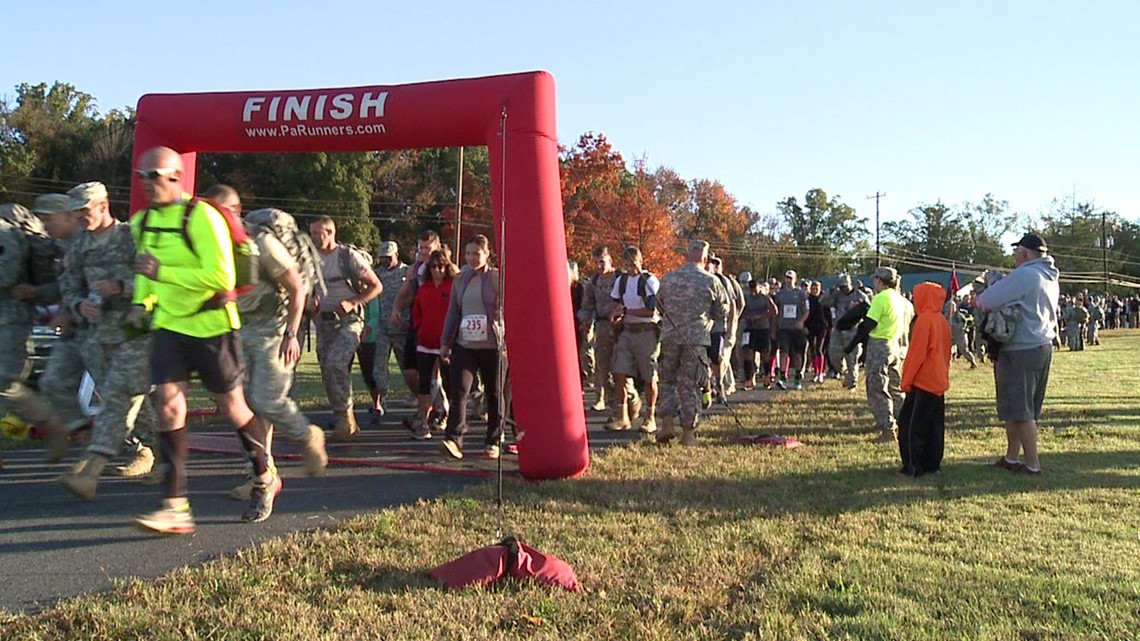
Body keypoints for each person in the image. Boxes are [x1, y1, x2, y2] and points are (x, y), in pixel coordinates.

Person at [128, 145, 276, 534]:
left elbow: (219, 279)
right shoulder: (142, 223)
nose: (146, 183)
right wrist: (141, 303)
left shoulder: (202, 216)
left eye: (154, 176)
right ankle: (176, 507)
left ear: (176, 177)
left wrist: (165, 272)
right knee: (167, 404)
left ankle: (265, 475)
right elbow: (145, 273)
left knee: (232, 407)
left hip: (213, 325)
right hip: (170, 327)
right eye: (142, 176)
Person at [204, 186, 327, 500]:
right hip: (240, 330)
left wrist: (291, 335)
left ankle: (307, 434)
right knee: (247, 407)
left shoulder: (261, 243)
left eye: (219, 212)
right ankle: (261, 474)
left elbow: (297, 288)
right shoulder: (214, 246)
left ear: (235, 210)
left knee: (268, 400)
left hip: (274, 330)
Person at [55, 182, 159, 500]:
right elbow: (69, 286)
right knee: (132, 398)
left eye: (85, 211)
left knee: (119, 396)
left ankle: (94, 466)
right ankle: (154, 452)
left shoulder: (132, 236)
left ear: (104, 205)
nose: (81, 218)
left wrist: (121, 285)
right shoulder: (78, 246)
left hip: (135, 331)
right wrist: (77, 305)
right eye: (76, 213)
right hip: (98, 337)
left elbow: (156, 277)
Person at [7, 194, 86, 461]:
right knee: (51, 382)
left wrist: (63, 307)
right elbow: (61, 286)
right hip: (76, 328)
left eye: (48, 218)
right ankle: (90, 458)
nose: (44, 224)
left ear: (68, 216)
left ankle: (144, 448)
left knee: (123, 395)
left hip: (105, 329)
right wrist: (37, 292)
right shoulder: (58, 246)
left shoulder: (93, 242)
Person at [976, 233, 1059, 475]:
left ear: (1024, 253)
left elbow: (987, 300)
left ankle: (1032, 465)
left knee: (1022, 412)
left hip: (1020, 348)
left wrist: (989, 290)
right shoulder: (1049, 275)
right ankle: (1012, 458)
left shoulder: (1026, 274)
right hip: (1041, 346)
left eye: (1016, 251)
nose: (1014, 255)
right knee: (1018, 408)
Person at [308, 216, 381, 441]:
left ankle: (345, 415)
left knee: (336, 362)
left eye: (317, 233)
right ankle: (343, 414)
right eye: (311, 233)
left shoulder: (347, 256)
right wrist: (311, 306)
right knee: (327, 371)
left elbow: (376, 286)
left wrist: (354, 302)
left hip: (349, 322)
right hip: (324, 323)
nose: (313, 238)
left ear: (330, 233)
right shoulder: (310, 259)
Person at [655, 240, 729, 445]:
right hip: (695, 341)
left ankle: (667, 425)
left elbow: (659, 306)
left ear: (687, 255)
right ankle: (688, 434)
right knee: (690, 385)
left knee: (666, 381)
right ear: (705, 258)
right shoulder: (711, 281)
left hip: (669, 337)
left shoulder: (668, 279)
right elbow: (722, 311)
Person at [439, 235, 504, 459]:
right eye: (468, 253)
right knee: (459, 391)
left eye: (476, 253)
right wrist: (445, 342)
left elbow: (507, 307)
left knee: (494, 393)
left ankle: (493, 440)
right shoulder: (460, 279)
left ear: (487, 254)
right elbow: (453, 312)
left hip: (491, 345)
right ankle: (454, 439)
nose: (471, 258)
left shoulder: (496, 278)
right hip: (464, 343)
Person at [847, 266, 908, 443]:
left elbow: (869, 324)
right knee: (895, 387)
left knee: (877, 387)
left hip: (879, 344)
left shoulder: (880, 298)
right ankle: (901, 421)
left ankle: (887, 427)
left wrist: (855, 339)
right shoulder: (897, 298)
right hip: (894, 344)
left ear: (880, 280)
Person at [897, 282, 952, 477]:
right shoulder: (942, 320)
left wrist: (906, 381)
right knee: (934, 427)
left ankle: (913, 466)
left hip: (923, 382)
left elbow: (916, 355)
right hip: (938, 381)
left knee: (911, 426)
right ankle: (933, 464)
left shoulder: (924, 321)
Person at [607, 246, 659, 433]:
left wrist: (627, 311)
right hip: (627, 330)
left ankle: (650, 417)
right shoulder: (621, 281)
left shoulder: (649, 281)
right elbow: (615, 302)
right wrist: (614, 313)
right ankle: (623, 417)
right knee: (619, 372)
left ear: (641, 261)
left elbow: (651, 310)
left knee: (648, 376)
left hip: (646, 331)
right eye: (627, 264)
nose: (630, 268)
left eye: (634, 263)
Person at [408, 249, 458, 440]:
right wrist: (419, 330)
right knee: (424, 384)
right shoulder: (424, 288)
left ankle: (451, 422)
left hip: (447, 344)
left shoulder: (453, 286)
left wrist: (452, 338)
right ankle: (423, 422)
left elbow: (458, 312)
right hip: (425, 343)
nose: (438, 270)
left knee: (450, 383)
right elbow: (416, 313)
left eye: (442, 266)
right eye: (434, 266)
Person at [391, 231, 442, 403]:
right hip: (418, 322)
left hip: (439, 323)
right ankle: (424, 402)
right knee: (410, 372)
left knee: (434, 370)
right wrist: (396, 309)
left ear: (437, 248)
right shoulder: (415, 268)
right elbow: (406, 292)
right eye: (421, 247)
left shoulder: (445, 268)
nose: (423, 251)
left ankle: (438, 409)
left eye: (428, 248)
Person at [578, 246, 625, 414]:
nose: (599, 266)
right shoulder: (594, 282)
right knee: (602, 365)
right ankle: (603, 399)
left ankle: (628, 401)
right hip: (603, 327)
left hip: (622, 327)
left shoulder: (621, 278)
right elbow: (587, 305)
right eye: (596, 262)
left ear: (610, 260)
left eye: (602, 262)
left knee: (621, 367)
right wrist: (586, 321)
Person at [372, 241, 409, 415]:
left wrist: (408, 321)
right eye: (382, 258)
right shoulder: (377, 274)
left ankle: (416, 396)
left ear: (396, 255)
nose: (385, 261)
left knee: (407, 367)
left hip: (402, 328)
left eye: (388, 257)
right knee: (379, 366)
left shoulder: (407, 273)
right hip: (382, 329)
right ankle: (380, 401)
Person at [823, 275, 870, 389]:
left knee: (852, 357)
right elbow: (823, 301)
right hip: (839, 329)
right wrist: (831, 290)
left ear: (850, 284)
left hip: (853, 329)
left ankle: (852, 382)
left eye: (845, 286)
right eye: (841, 287)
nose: (843, 289)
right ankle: (843, 371)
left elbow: (869, 310)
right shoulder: (837, 295)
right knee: (833, 353)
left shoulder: (860, 295)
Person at [773, 269, 809, 390]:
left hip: (796, 329)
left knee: (797, 354)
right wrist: (775, 326)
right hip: (784, 328)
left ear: (795, 279)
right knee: (783, 351)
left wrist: (801, 322)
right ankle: (783, 377)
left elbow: (806, 310)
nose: (788, 280)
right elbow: (777, 311)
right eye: (786, 278)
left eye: (790, 278)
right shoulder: (780, 294)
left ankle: (797, 378)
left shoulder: (801, 294)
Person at [740, 279, 777, 389]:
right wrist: (746, 316)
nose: (753, 292)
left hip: (763, 328)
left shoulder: (765, 298)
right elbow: (742, 310)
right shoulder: (747, 297)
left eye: (754, 289)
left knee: (765, 354)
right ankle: (748, 379)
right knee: (748, 352)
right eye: (751, 290)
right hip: (750, 328)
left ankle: (767, 376)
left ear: (759, 288)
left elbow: (774, 311)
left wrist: (763, 317)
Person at [804, 280, 831, 383]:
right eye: (813, 288)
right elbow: (806, 313)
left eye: (817, 288)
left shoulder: (824, 299)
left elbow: (828, 313)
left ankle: (820, 372)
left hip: (822, 327)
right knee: (812, 349)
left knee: (819, 349)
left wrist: (830, 326)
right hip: (810, 326)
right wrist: (805, 325)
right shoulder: (808, 299)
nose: (815, 290)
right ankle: (816, 372)